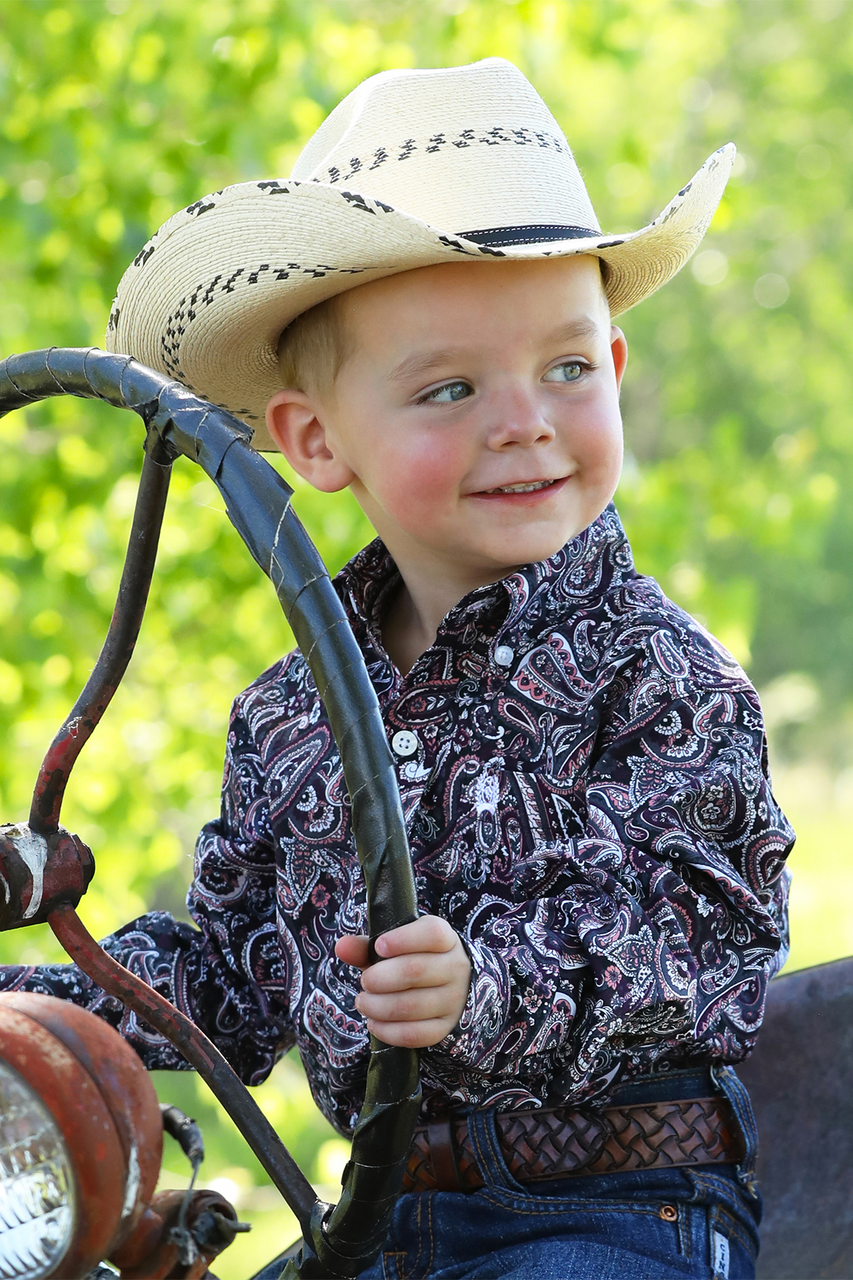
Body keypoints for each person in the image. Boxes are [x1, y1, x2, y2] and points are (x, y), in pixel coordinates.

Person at [1, 59, 793, 1280]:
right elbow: (228, 982)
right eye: (450, 387)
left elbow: (709, 947)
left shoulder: (660, 676)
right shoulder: (286, 716)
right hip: (371, 1226)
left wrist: (484, 986)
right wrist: (37, 993)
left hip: (619, 1210)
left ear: (618, 373)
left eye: (567, 368)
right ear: (316, 442)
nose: (524, 418)